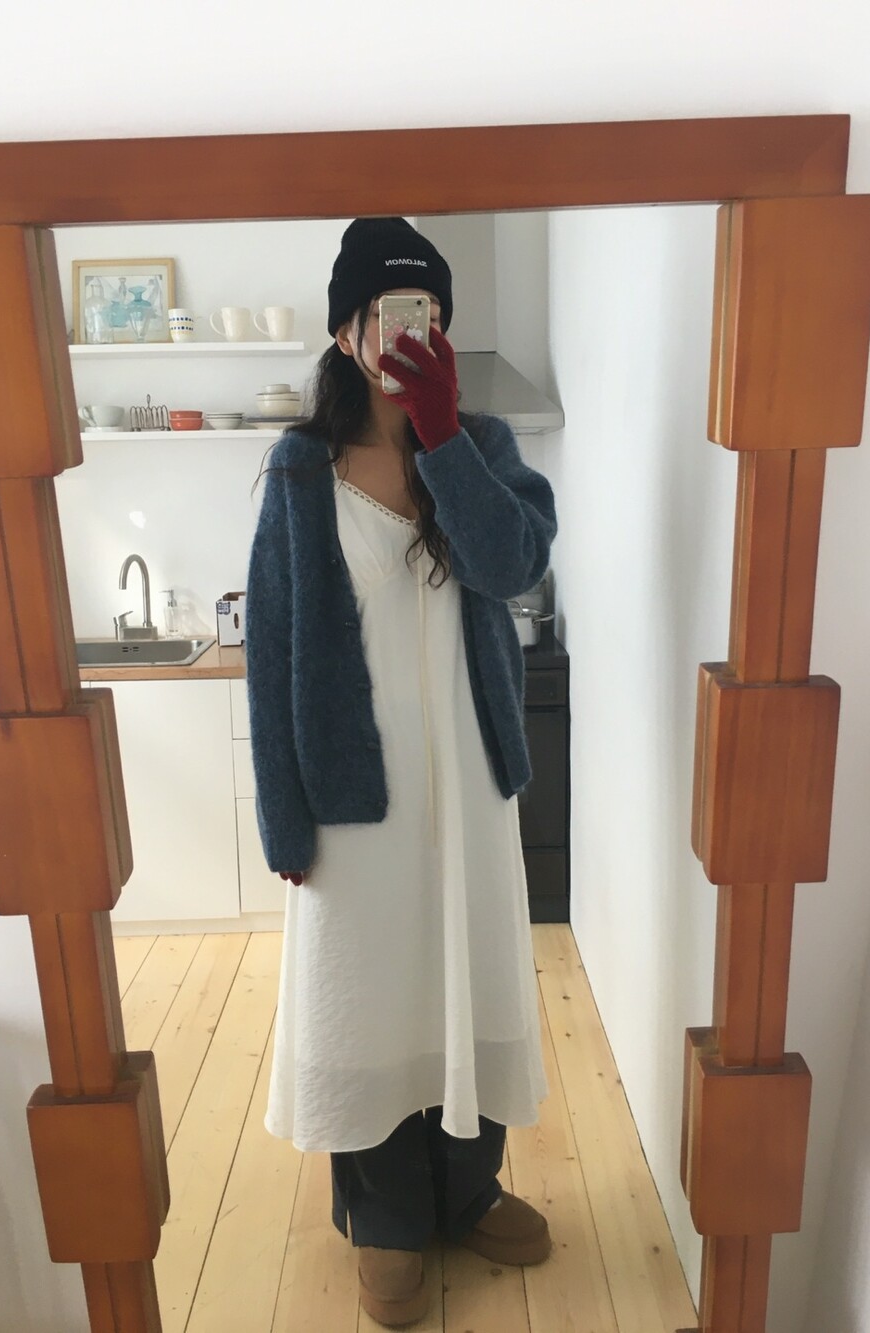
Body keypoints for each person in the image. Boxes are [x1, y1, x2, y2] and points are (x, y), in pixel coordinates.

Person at [245, 217, 557, 1327]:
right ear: (346, 330)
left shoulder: (482, 444)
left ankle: (467, 1192)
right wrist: (284, 818)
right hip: (352, 798)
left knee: (468, 975)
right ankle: (383, 1218)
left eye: (426, 311)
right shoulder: (301, 468)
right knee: (367, 997)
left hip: (469, 782)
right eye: (384, 312)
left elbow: (513, 563)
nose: (404, 329)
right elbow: (273, 646)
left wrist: (444, 438)